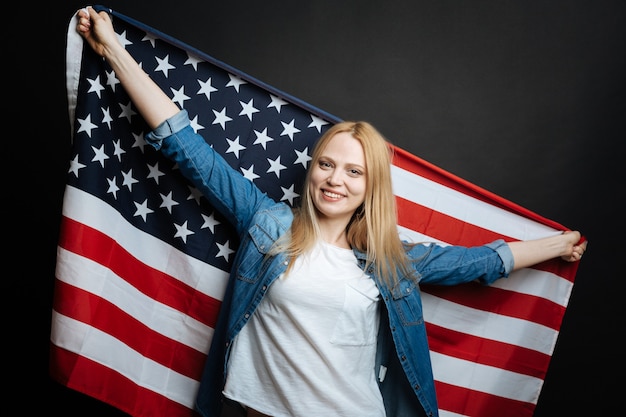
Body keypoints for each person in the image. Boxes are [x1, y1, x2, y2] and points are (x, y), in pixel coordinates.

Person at [75, 7, 588, 417]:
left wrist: (560, 245)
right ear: (313, 169)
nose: (335, 179)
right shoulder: (266, 224)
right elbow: (187, 147)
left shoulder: (391, 262)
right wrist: (113, 49)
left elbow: (478, 263)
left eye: (354, 172)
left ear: (370, 190)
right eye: (327, 164)